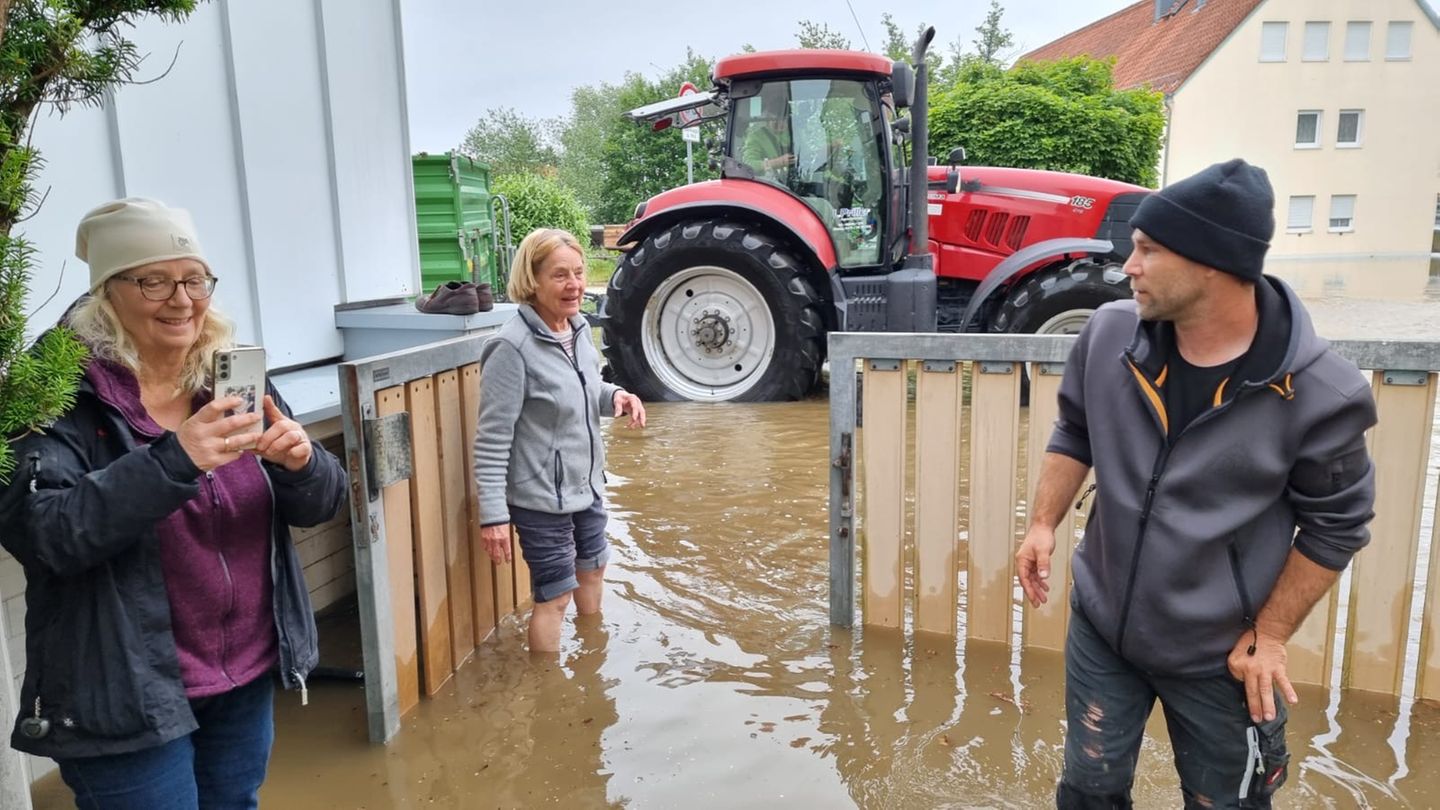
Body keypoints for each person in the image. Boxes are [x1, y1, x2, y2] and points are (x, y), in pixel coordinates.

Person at [1014, 159, 1377, 808]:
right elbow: (1076, 429)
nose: (1129, 266)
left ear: (1211, 263)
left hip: (1221, 657)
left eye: (1149, 250)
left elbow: (1338, 524)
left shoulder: (1320, 393)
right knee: (1088, 789)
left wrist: (1270, 636)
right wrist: (1044, 522)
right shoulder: (1107, 336)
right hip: (1104, 627)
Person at [0, 197, 348, 809]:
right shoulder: (54, 394)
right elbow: (46, 533)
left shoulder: (230, 375)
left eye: (193, 279)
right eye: (153, 281)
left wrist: (304, 464)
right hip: (123, 690)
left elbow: (321, 504)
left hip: (242, 674)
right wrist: (175, 460)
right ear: (109, 291)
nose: (182, 300)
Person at [473, 228, 646, 653]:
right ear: (532, 282)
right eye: (559, 275)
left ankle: (593, 658)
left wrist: (617, 397)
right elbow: (491, 441)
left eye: (579, 273)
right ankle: (551, 692)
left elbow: (587, 390)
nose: (574, 285)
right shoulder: (510, 348)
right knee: (554, 596)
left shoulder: (579, 329)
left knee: (593, 570)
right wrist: (493, 516)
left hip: (586, 485)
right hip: (538, 498)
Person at [740, 84, 795, 180]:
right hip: (770, 184)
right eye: (776, 120)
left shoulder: (794, 134)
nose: (780, 124)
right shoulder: (756, 137)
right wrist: (778, 162)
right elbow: (748, 165)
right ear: (768, 118)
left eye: (784, 120)